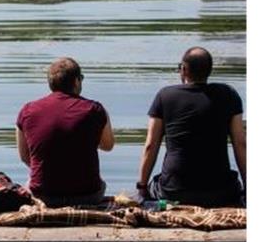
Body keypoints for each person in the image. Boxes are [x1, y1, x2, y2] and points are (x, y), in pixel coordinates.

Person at [137, 47, 245, 207]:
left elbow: (151, 146)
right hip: (221, 192)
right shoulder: (228, 94)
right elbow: (241, 144)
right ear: (210, 70)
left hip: (173, 191)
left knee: (154, 187)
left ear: (184, 69)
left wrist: (142, 187)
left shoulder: (165, 96)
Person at [16, 57, 115, 207]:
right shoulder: (95, 110)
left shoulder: (27, 111)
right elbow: (108, 145)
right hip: (87, 195)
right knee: (101, 183)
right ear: (76, 81)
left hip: (44, 196)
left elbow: (25, 157)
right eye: (81, 78)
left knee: (29, 181)